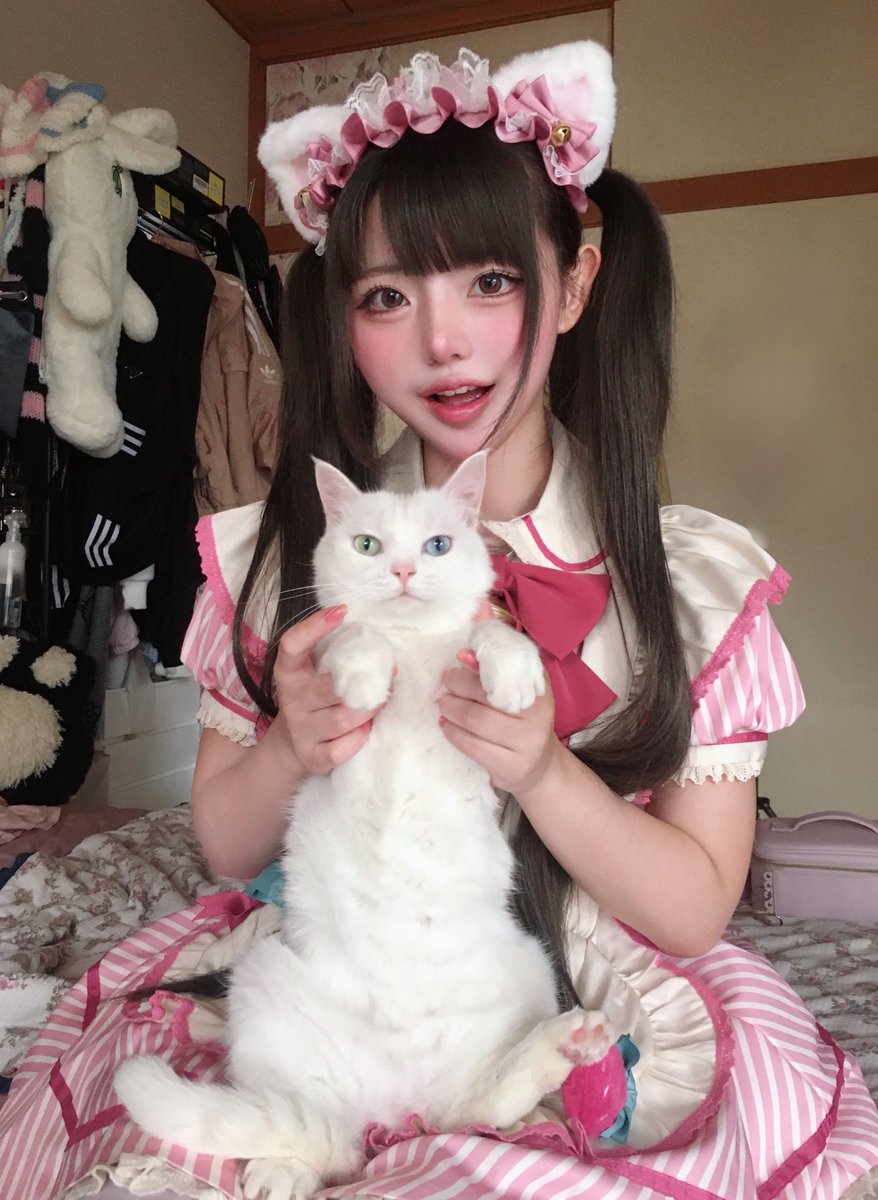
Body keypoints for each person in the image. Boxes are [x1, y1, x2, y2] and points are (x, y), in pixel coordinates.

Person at [1, 41, 876, 1200]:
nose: (440, 340)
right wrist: (291, 745)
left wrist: (542, 771)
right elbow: (227, 844)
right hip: (339, 959)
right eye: (385, 296)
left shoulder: (689, 579)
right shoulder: (293, 557)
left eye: (490, 282)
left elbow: (693, 908)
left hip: (574, 983)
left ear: (573, 284)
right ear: (341, 316)